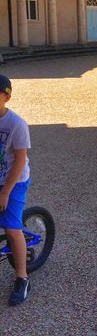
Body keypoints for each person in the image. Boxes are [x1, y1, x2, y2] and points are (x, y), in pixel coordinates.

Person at [0, 75, 32, 306]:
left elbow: (20, 161)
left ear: (7, 97)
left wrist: (5, 192)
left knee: (12, 229)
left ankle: (22, 277)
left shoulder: (16, 125)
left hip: (15, 181)